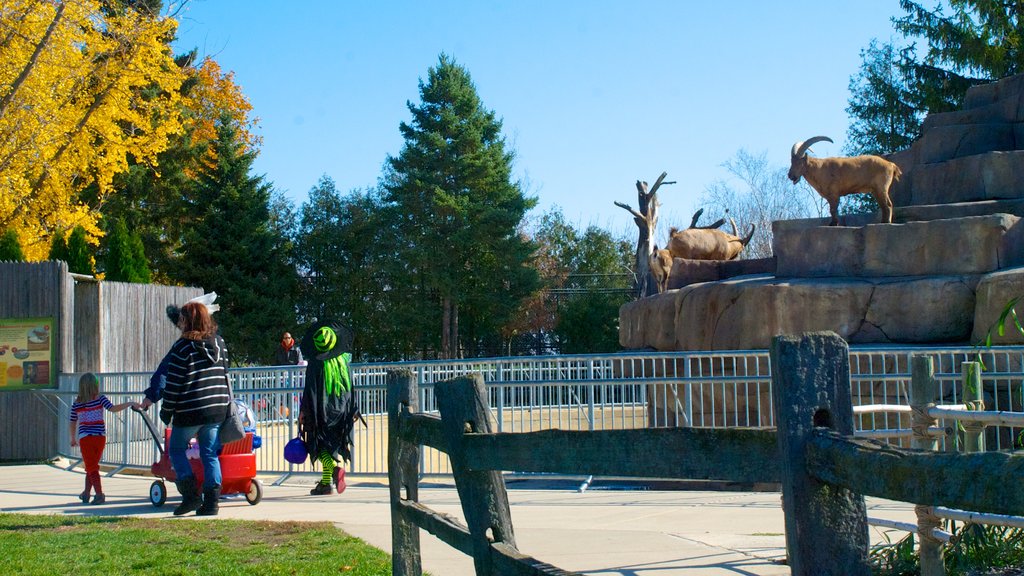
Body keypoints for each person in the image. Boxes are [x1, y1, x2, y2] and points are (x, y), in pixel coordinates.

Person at [159, 301, 232, 516]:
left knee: (176, 449)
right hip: (216, 407)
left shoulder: (182, 347)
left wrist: (167, 410)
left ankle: (191, 496)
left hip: (190, 408)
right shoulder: (220, 343)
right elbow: (225, 373)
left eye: (182, 319)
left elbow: (174, 383)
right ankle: (212, 503)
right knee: (209, 453)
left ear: (188, 321)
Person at [298, 320, 358, 495]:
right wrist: (354, 409)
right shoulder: (343, 361)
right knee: (331, 445)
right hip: (341, 410)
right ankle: (325, 485)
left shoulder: (316, 364)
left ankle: (333, 470)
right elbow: (350, 387)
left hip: (321, 411)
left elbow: (310, 390)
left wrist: (303, 411)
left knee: (318, 446)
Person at [69, 373, 138, 505]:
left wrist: (72, 437)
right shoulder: (100, 398)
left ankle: (99, 495)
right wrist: (129, 403)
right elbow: (113, 408)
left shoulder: (77, 403)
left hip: (86, 438)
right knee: (92, 465)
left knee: (91, 466)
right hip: (100, 437)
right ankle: (86, 493)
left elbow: (72, 421)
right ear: (95, 385)